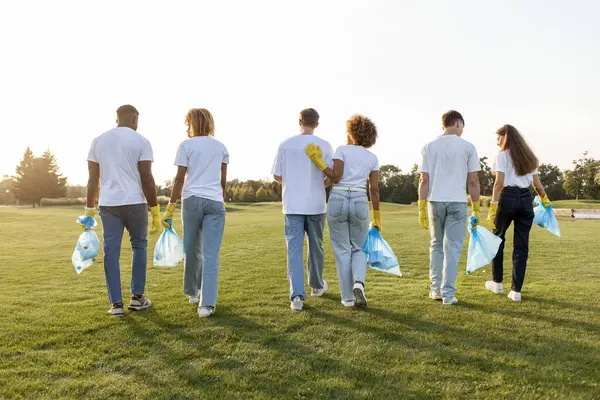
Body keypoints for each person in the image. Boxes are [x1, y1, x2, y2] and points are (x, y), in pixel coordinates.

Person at [84, 105, 160, 317]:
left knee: (111, 253)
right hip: (135, 202)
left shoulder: (98, 141)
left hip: (108, 205)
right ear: (135, 119)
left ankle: (116, 304)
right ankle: (137, 299)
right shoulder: (142, 141)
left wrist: (89, 209)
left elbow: (92, 180)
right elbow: (147, 178)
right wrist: (154, 210)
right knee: (139, 247)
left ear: (117, 119)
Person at [305, 114, 380, 308]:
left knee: (342, 250)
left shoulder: (341, 150)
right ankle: (359, 283)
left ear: (351, 132)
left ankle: (347, 298)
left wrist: (319, 161)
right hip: (359, 200)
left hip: (338, 199)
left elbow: (335, 177)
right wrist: (377, 217)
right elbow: (374, 189)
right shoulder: (372, 158)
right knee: (359, 248)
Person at [161, 108, 228, 318]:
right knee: (210, 254)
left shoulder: (186, 145)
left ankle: (193, 292)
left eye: (188, 123)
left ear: (192, 123)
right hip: (215, 202)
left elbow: (179, 179)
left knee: (192, 249)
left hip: (191, 201)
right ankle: (206, 304)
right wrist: (220, 198)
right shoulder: (221, 147)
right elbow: (223, 181)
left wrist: (170, 206)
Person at [418, 110, 481, 305]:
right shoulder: (468, 147)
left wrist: (421, 205)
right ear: (458, 123)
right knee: (452, 248)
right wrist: (476, 207)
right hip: (457, 202)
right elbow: (473, 181)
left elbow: (424, 179)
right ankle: (448, 294)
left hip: (434, 201)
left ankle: (435, 289)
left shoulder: (428, 146)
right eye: (462, 126)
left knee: (436, 245)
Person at [272, 108, 333, 311]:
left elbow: (277, 175)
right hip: (316, 204)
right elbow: (330, 175)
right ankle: (316, 286)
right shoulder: (324, 145)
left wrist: (293, 180)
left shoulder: (285, 144)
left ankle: (296, 297)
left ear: (299, 121)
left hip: (292, 205)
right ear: (317, 123)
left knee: (294, 249)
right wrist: (317, 183)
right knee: (316, 247)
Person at [485, 125, 550, 302]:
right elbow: (537, 185)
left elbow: (498, 183)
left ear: (506, 137)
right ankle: (516, 291)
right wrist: (546, 202)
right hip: (525, 199)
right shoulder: (530, 157)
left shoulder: (502, 156)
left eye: (498, 138)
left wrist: (493, 205)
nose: (497, 141)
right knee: (521, 246)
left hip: (507, 197)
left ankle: (497, 283)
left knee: (497, 239)